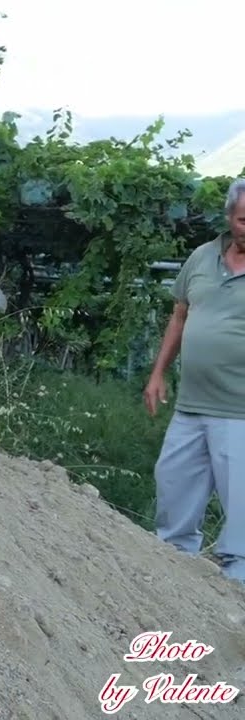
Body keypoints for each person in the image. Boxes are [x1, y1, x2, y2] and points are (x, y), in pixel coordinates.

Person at [144, 177, 245, 584]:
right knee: (173, 484)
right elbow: (180, 316)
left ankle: (237, 585)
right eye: (244, 220)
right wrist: (157, 373)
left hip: (239, 410)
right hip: (191, 404)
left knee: (241, 505)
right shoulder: (202, 257)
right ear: (229, 218)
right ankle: (175, 574)